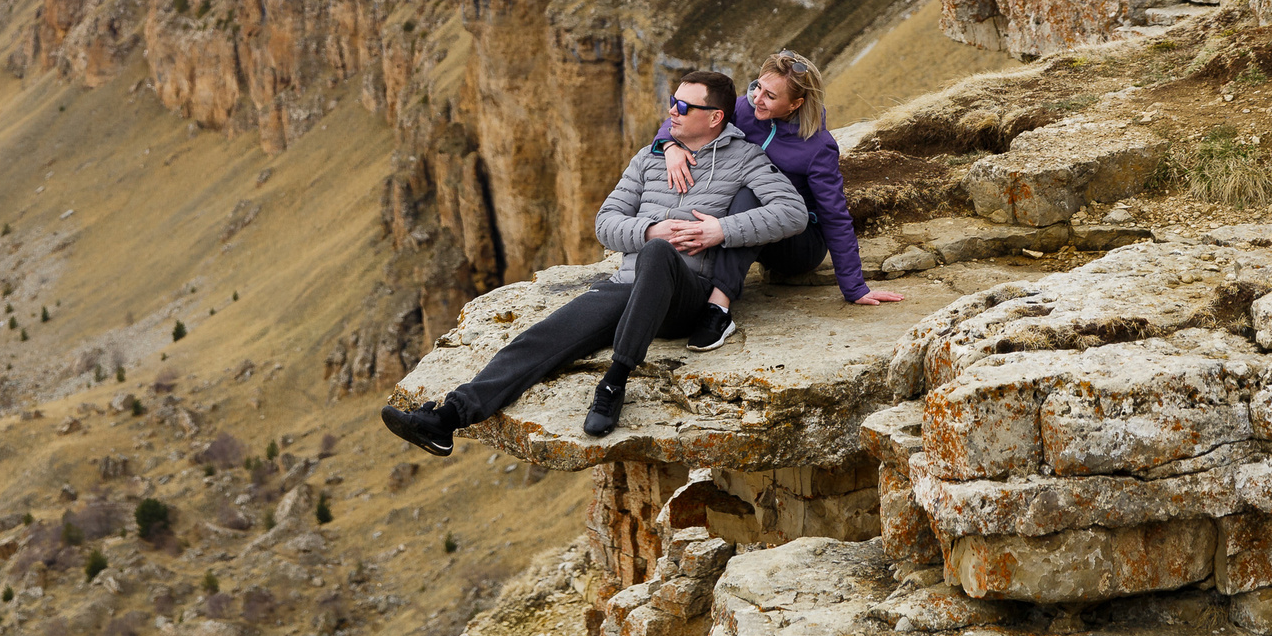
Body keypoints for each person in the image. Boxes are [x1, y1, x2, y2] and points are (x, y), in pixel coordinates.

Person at [378, 69, 806, 453]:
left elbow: (792, 213)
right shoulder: (649, 157)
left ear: (714, 118)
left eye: (682, 106)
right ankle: (447, 419)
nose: (670, 111)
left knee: (659, 255)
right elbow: (605, 223)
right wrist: (649, 229)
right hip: (627, 285)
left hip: (685, 296)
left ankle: (615, 380)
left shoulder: (746, 158)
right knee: (542, 337)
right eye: (672, 101)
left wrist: (720, 230)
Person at [656, 48, 902, 352]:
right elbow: (689, 115)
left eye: (770, 96)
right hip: (744, 223)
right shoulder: (744, 110)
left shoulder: (817, 147)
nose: (758, 98)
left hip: (798, 243)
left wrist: (854, 287)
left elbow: (834, 216)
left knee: (754, 193)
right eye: (757, 87)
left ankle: (717, 308)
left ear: (795, 103)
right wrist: (668, 145)